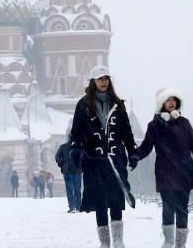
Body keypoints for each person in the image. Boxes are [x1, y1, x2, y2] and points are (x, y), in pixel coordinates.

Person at [132, 88, 193, 248]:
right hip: (165, 172)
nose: (171, 102)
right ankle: (169, 242)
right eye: (168, 99)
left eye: (174, 100)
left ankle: (180, 244)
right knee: (168, 207)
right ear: (161, 103)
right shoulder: (154, 125)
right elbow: (146, 147)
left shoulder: (184, 123)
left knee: (182, 209)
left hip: (184, 172)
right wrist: (136, 156)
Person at [70, 65, 137, 248]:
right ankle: (105, 243)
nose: (103, 82)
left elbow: (127, 132)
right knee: (100, 201)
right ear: (93, 81)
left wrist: (132, 151)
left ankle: (118, 240)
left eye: (106, 78)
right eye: (100, 79)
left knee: (116, 199)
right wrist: (76, 149)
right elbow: (76, 131)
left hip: (115, 160)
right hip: (94, 161)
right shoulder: (83, 105)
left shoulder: (118, 104)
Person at [56, 140, 82, 212]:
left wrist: (62, 164)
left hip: (67, 170)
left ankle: (72, 207)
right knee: (77, 189)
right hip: (76, 171)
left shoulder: (63, 147)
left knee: (70, 189)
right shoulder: (79, 147)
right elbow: (83, 158)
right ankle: (78, 207)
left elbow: (57, 157)